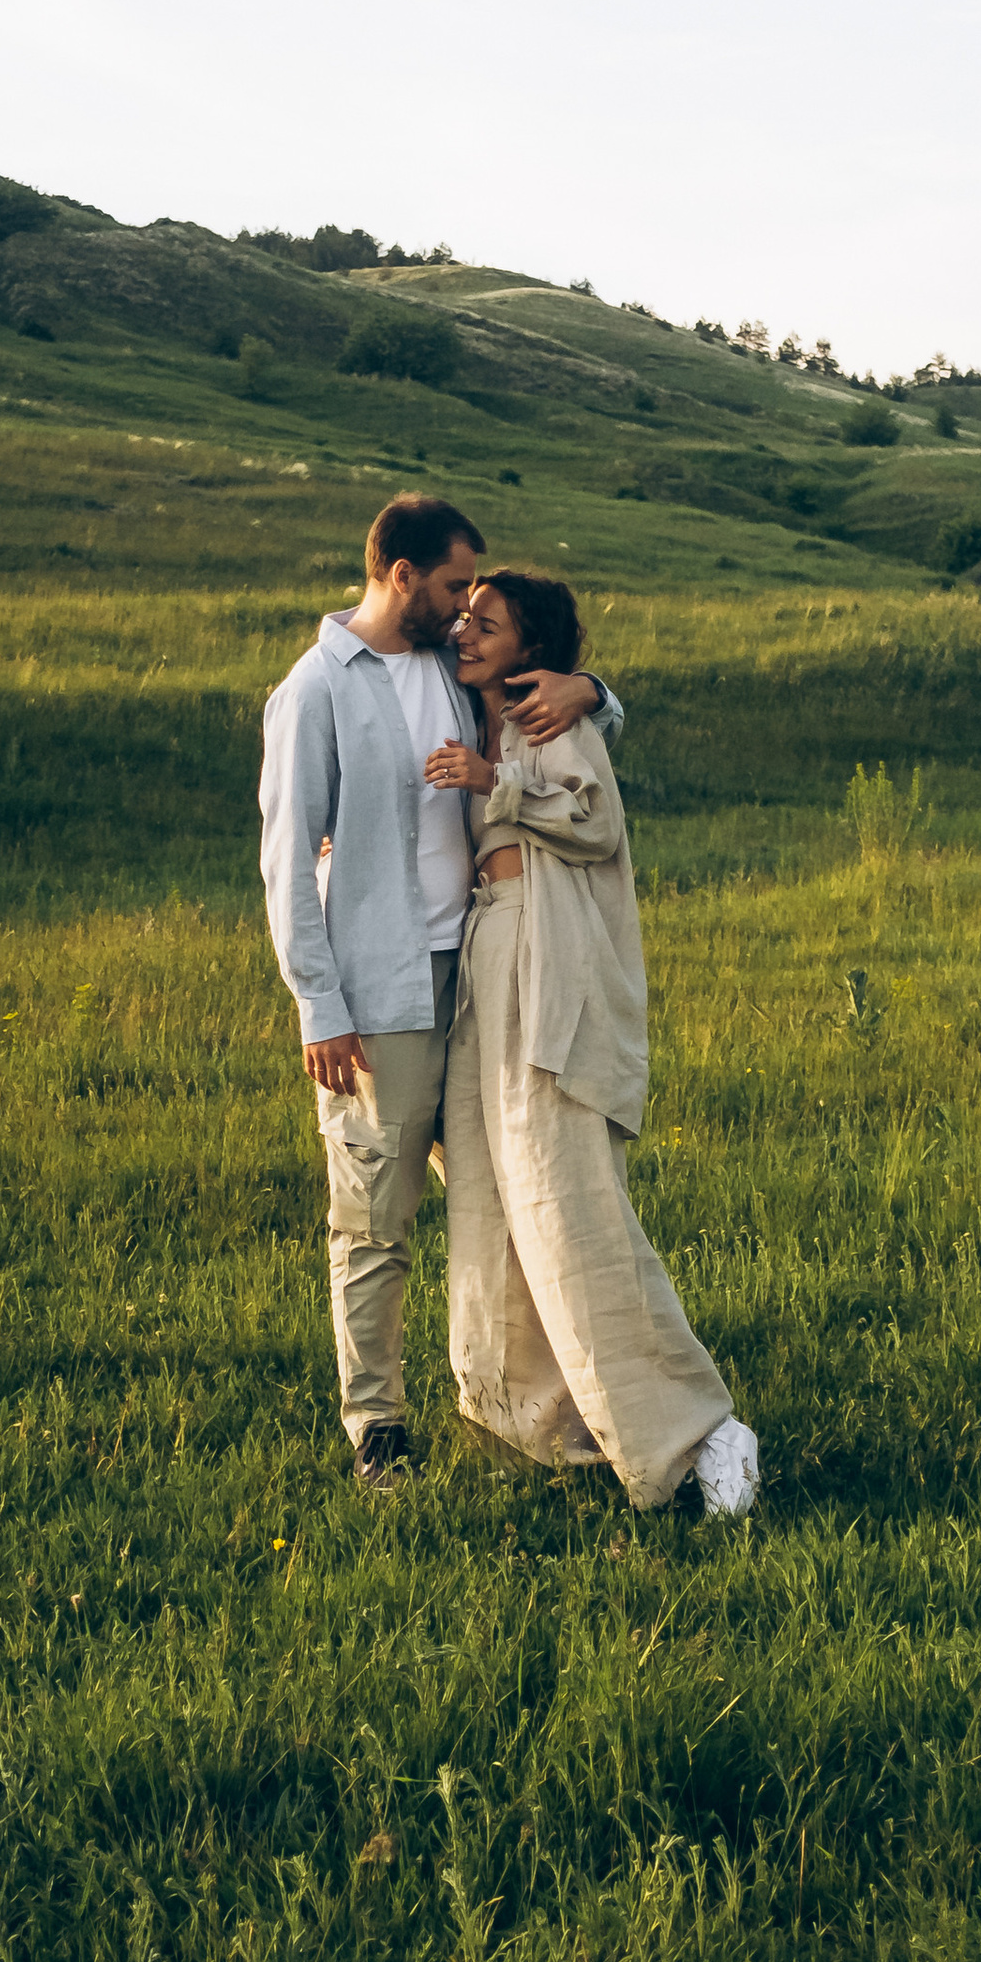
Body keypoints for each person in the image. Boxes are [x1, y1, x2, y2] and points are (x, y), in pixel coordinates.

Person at [259, 496, 622, 1491]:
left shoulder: (451, 670)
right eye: (456, 585)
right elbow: (287, 863)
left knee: (506, 1202)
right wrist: (318, 1009)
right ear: (403, 575)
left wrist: (590, 687)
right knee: (375, 1215)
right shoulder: (315, 691)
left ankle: (523, 1404)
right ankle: (376, 1424)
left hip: (483, 973)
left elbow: (564, 707)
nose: (467, 608)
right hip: (379, 994)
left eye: (476, 596)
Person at [427, 567, 760, 1518]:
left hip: (546, 953)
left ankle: (701, 1430)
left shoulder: (548, 720)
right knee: (492, 1193)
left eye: (486, 623)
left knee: (565, 1201)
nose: (465, 632)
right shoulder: (457, 700)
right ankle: (541, 1420)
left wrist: (501, 777)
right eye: (463, 616)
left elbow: (593, 818)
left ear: (529, 649)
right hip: (486, 956)